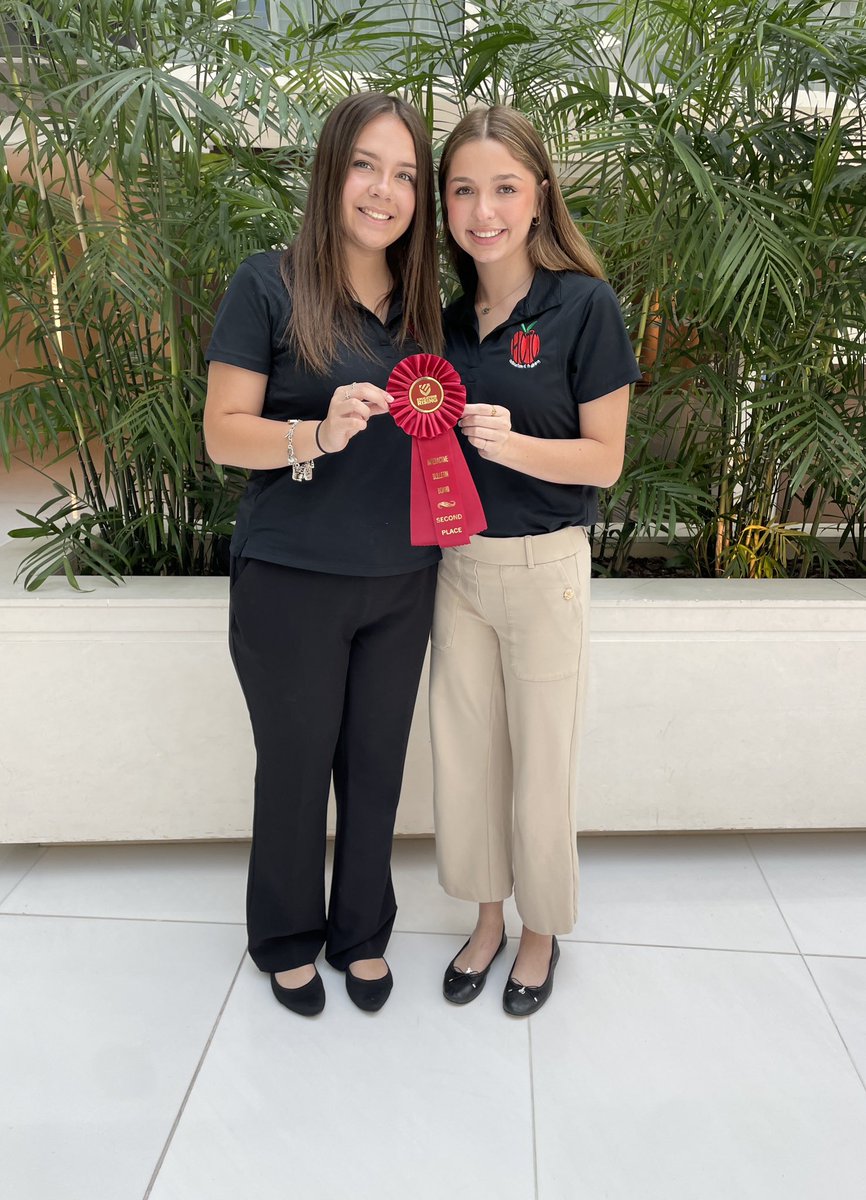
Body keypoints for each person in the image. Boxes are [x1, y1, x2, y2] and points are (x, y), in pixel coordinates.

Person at [203, 93, 442, 1016]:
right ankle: (287, 935)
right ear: (331, 171)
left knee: (378, 766)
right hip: (294, 579)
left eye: (405, 175)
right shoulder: (268, 282)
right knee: (297, 765)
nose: (385, 191)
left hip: (404, 577)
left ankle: (361, 932)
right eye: (366, 166)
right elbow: (224, 434)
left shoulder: (428, 304)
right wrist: (313, 433)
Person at [431, 106, 641, 1016]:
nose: (485, 210)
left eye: (504, 188)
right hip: (456, 568)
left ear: (540, 196)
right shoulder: (442, 321)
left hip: (546, 566)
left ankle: (542, 931)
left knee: (541, 759)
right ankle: (486, 918)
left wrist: (513, 445)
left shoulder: (583, 305)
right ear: (443, 205)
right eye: (464, 190)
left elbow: (606, 460)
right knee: (466, 755)